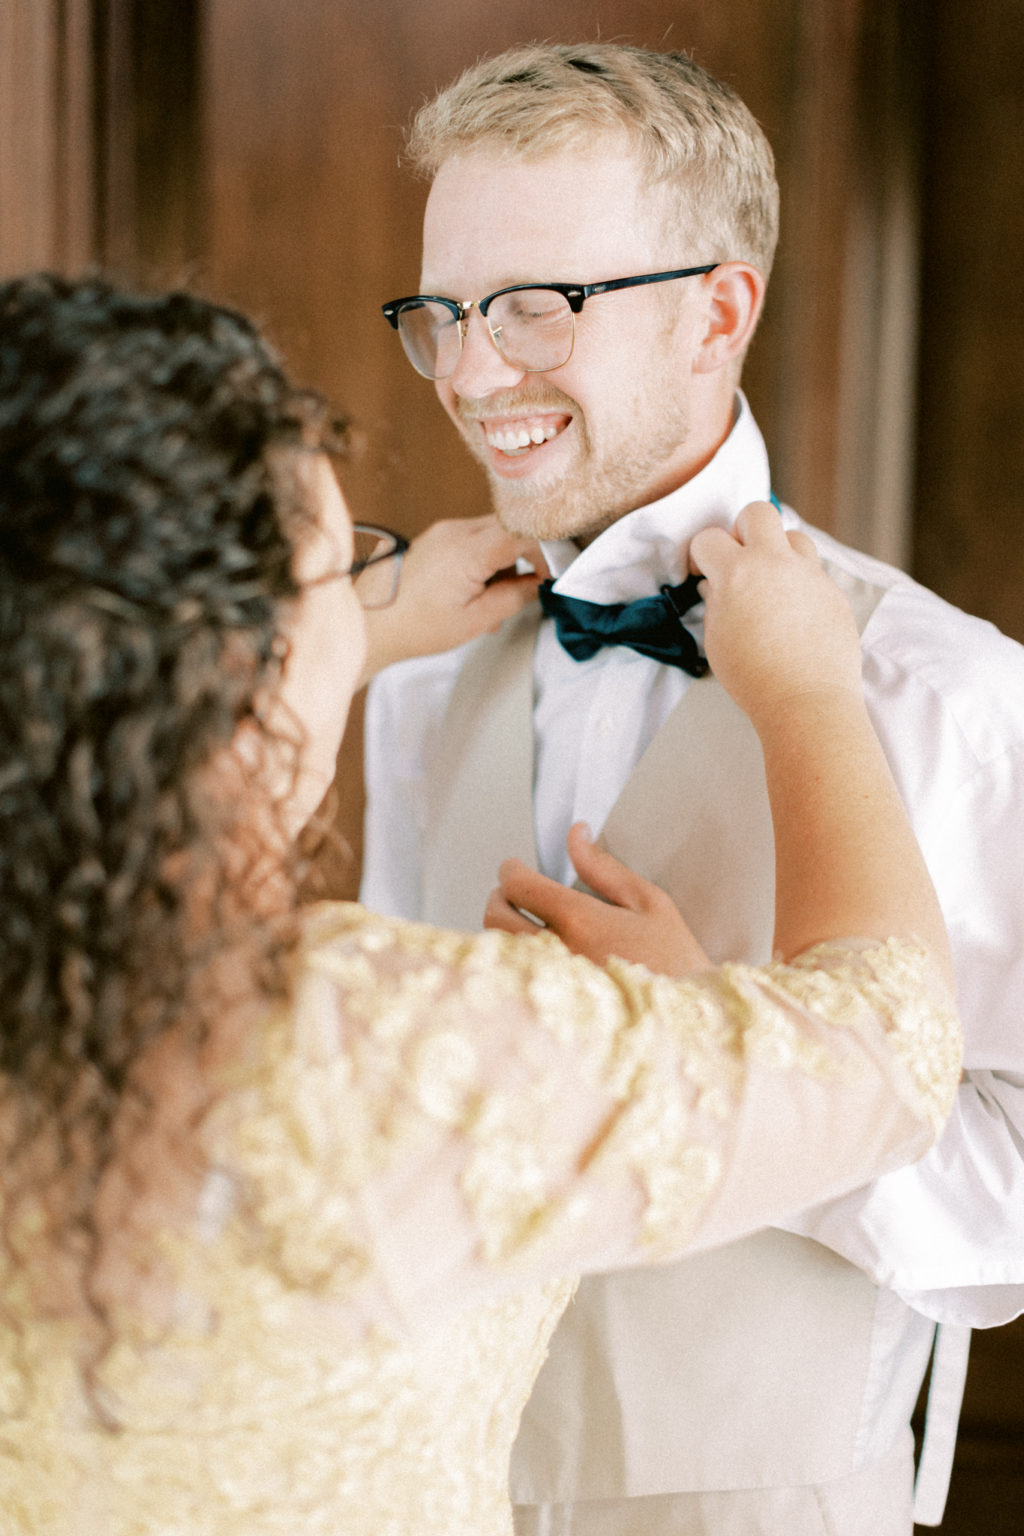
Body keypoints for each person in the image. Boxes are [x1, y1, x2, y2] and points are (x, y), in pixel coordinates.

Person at [0, 273, 962, 1536]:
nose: (468, 372)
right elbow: (888, 1048)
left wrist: (349, 626)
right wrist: (809, 700)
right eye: (334, 575)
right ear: (243, 675)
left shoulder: (957, 689)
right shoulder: (383, 1055)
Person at [362, 39, 1024, 1535]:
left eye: (537, 308)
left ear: (719, 313)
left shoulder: (947, 700)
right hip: (423, 1492)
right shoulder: (406, 669)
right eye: (444, 313)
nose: (471, 374)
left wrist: (710, 1060)